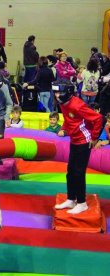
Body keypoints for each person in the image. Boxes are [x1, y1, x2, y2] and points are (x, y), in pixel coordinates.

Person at [54, 80, 102, 214]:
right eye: (56, 92)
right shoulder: (63, 103)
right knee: (70, 172)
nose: (57, 95)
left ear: (67, 93)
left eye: (59, 92)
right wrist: (64, 129)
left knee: (79, 173)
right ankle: (71, 199)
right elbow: (68, 119)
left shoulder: (77, 104)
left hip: (83, 141)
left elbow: (98, 119)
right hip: (74, 140)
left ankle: (82, 203)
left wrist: (94, 137)